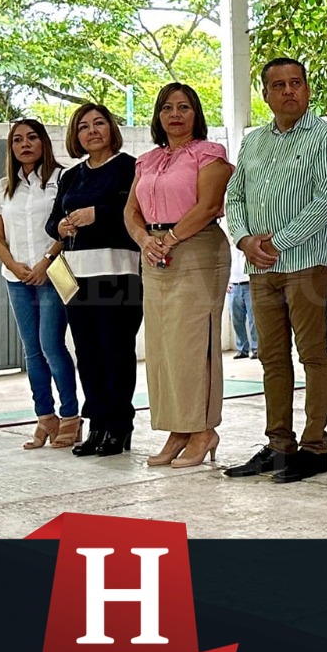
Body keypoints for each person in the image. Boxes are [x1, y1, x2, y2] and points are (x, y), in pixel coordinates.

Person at [223, 58, 327, 484]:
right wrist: (244, 240)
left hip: (307, 265)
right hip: (260, 267)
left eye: (296, 83)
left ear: (308, 89)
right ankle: (279, 445)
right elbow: (235, 196)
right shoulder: (253, 142)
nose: (289, 91)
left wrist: (277, 242)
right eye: (278, 85)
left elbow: (326, 202)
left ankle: (315, 448)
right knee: (272, 358)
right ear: (265, 94)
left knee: (312, 354)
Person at [124, 84, 234, 470]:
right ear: (157, 116)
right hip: (155, 254)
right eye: (167, 107)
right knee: (163, 348)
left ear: (196, 113)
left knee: (193, 345)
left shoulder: (209, 154)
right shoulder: (147, 161)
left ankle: (203, 430)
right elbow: (131, 211)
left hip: (197, 249)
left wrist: (168, 238)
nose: (175, 114)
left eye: (184, 107)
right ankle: (178, 430)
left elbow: (208, 206)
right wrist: (144, 241)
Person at [46, 102, 143, 457]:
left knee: (115, 350)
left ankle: (120, 426)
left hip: (118, 272)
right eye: (83, 126)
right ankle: (97, 424)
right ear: (76, 135)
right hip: (77, 276)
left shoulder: (129, 168)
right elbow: (52, 220)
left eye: (99, 123)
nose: (92, 131)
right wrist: (60, 225)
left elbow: (138, 213)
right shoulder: (71, 176)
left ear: (111, 129)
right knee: (87, 354)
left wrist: (97, 214)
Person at [0, 119, 80, 449]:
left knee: (51, 345)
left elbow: (69, 228)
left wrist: (45, 263)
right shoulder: (3, 188)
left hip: (57, 273)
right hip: (17, 277)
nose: (24, 145)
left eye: (32, 138)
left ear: (43, 142)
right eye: (17, 140)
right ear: (11, 148)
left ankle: (71, 416)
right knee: (32, 351)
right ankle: (45, 417)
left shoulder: (63, 178)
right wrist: (14, 265)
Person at [229, 248, 259, 359]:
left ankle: (256, 348)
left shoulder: (248, 248)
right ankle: (242, 349)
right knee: (237, 319)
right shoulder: (229, 250)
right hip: (234, 286)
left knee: (253, 319)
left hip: (249, 285)